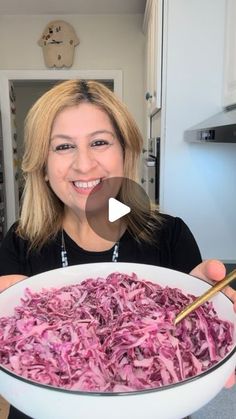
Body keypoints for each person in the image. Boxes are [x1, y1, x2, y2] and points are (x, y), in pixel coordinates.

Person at [0, 80, 235, 419]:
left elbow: (195, 346)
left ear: (125, 153)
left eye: (99, 142)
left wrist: (205, 311)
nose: (84, 164)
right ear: (43, 167)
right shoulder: (20, 241)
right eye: (63, 147)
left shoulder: (169, 236)